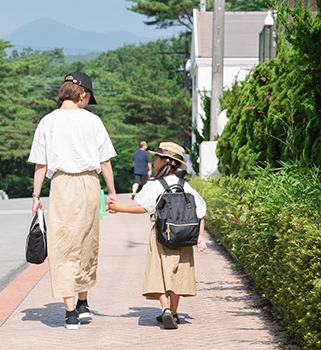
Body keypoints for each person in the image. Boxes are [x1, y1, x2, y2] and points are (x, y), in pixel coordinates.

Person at [28, 72, 117, 330]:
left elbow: (40, 163)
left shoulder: (47, 121)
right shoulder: (93, 121)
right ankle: (83, 303)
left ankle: (70, 314)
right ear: (82, 94)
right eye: (88, 97)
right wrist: (111, 192)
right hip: (89, 183)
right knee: (87, 243)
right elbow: (105, 162)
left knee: (63, 246)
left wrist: (36, 196)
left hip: (61, 185)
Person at [108, 142, 207, 330]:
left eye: (156, 158)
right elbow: (201, 212)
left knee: (159, 271)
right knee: (178, 272)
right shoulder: (185, 185)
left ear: (164, 161)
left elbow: (143, 207)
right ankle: (175, 313)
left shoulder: (154, 185)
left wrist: (119, 208)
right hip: (185, 236)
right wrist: (200, 237)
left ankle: (165, 309)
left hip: (162, 234)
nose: (154, 161)